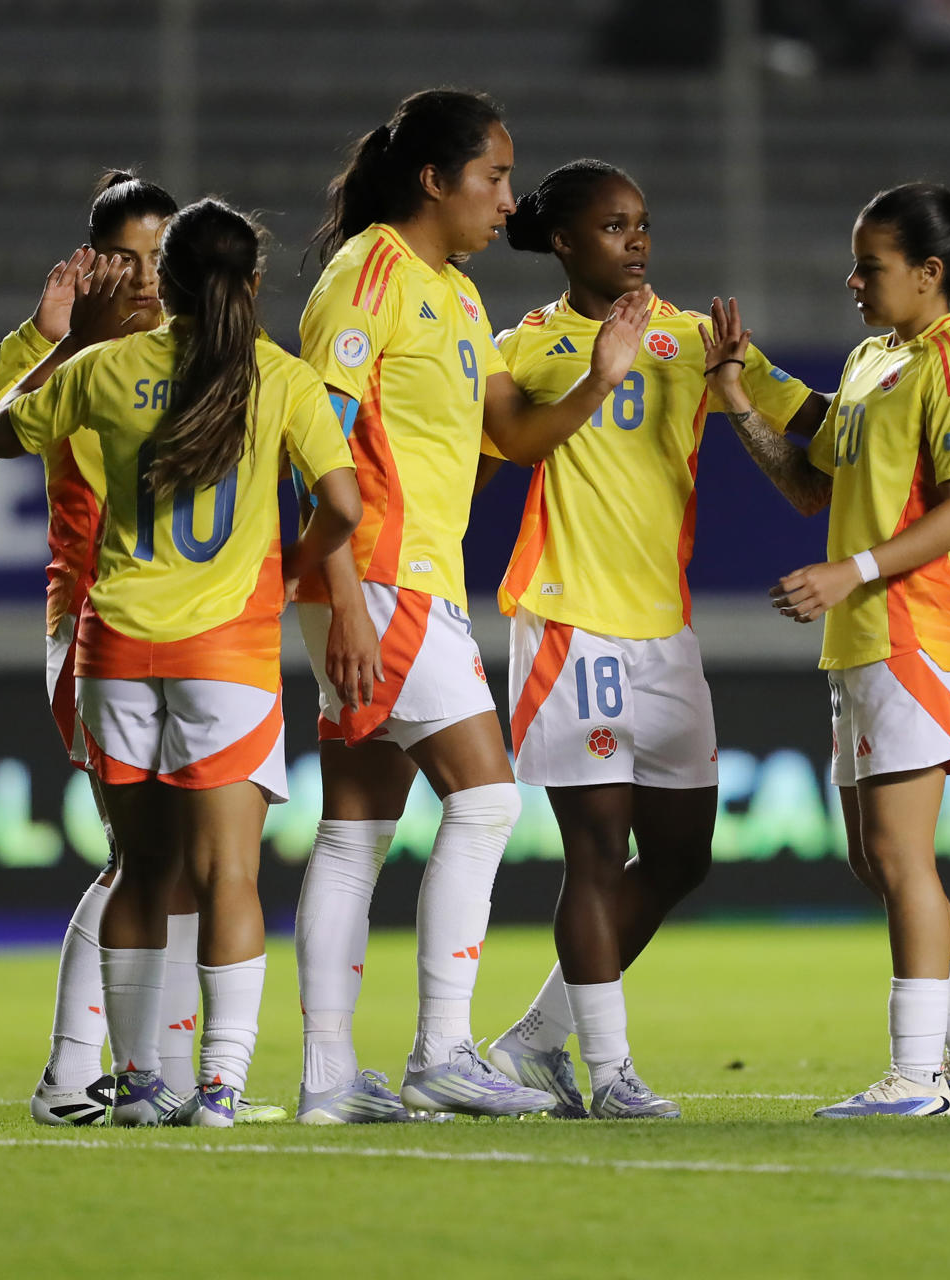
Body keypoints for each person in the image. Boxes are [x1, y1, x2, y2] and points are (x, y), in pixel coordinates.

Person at [289, 90, 653, 1123]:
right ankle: (443, 1047)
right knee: (487, 799)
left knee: (356, 827)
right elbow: (315, 440)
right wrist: (346, 591)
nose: (508, 200)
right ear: (433, 181)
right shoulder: (368, 276)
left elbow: (518, 437)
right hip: (381, 574)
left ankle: (327, 1078)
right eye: (492, 178)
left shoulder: (449, 298)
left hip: (405, 580)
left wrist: (599, 375)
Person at [0, 198, 361, 1126]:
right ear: (255, 283)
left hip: (114, 647)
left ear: (172, 281)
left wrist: (70, 346)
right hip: (225, 652)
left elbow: (1, 431)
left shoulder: (112, 368)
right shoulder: (281, 378)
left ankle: (139, 1081)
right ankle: (221, 1087)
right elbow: (345, 507)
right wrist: (287, 575)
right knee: (229, 875)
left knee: (140, 871)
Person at [479, 160, 825, 1120]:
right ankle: (612, 1072)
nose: (634, 241)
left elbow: (817, 447)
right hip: (568, 621)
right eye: (612, 226)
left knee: (683, 855)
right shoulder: (523, 348)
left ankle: (536, 1041)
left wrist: (740, 387)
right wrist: (598, 378)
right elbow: (502, 452)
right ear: (563, 241)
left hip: (664, 633)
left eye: (641, 224)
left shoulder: (695, 338)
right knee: (594, 854)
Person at [0, 171, 266, 1124]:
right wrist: (44, 335)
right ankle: (80, 1070)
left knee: (177, 862)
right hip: (91, 624)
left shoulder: (206, 360)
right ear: (96, 265)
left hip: (185, 631)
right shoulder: (80, 364)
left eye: (165, 257)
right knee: (140, 861)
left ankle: (144, 1072)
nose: (151, 276)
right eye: (131, 258)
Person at [724, 182, 950, 1118]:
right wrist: (741, 387)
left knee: (901, 856)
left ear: (931, 272)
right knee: (876, 857)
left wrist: (850, 572)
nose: (852, 280)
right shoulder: (872, 361)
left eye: (873, 265)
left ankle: (917, 1075)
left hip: (919, 630)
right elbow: (815, 467)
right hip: (864, 636)